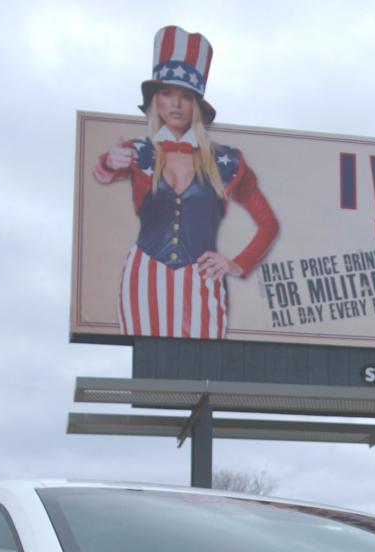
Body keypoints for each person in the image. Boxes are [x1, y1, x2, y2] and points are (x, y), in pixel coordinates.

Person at [93, 26, 279, 337]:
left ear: (197, 104)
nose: (176, 104)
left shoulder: (227, 161)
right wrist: (108, 162)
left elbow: (269, 223)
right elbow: (103, 172)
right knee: (150, 378)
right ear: (156, 100)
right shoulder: (138, 151)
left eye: (185, 96)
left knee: (201, 378)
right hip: (143, 276)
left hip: (202, 282)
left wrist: (237, 263)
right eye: (167, 93)